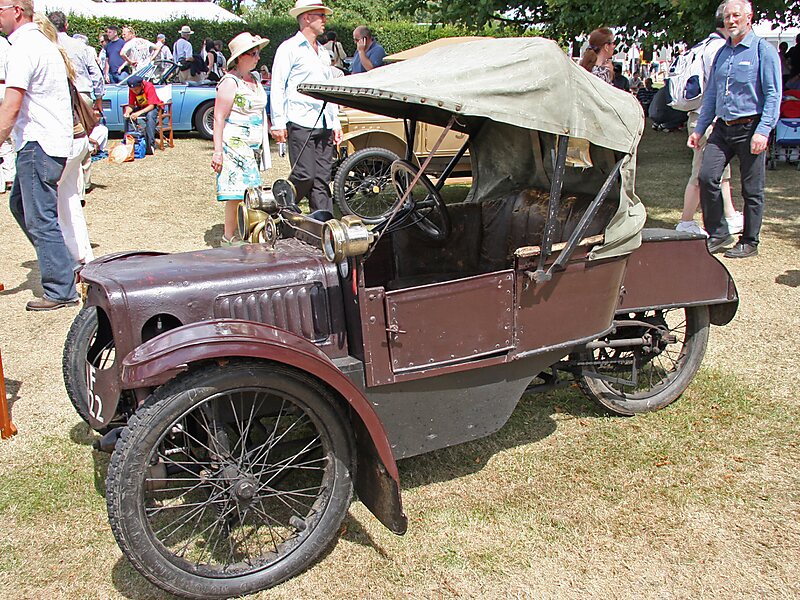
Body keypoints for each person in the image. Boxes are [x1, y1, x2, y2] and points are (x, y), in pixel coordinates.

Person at [0, 0, 79, 311]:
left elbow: (11, 105)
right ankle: (63, 269)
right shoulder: (41, 43)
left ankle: (61, 288)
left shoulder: (23, 47)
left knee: (39, 217)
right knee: (22, 205)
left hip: (38, 143)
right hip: (47, 141)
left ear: (17, 10)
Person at [689, 0, 781, 258]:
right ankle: (718, 233)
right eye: (727, 16)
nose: (731, 21)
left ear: (749, 17)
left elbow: (773, 95)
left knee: (752, 189)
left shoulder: (763, 51)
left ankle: (750, 241)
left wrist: (763, 131)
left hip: (751, 127)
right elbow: (711, 96)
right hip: (722, 128)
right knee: (707, 177)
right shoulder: (722, 53)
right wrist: (700, 129)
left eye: (736, 16)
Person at [271, 0, 342, 213]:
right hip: (300, 120)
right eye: (320, 15)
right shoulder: (289, 48)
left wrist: (335, 122)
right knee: (304, 174)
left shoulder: (322, 52)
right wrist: (278, 122)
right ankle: (282, 208)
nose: (325, 20)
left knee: (322, 179)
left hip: (324, 122)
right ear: (306, 18)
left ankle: (324, 226)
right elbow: (277, 86)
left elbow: (328, 90)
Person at [677, 3, 740, 238]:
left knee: (720, 172)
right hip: (708, 119)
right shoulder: (719, 49)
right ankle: (685, 220)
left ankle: (730, 215)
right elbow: (720, 88)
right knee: (701, 174)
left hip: (703, 117)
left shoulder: (704, 46)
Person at [35, 13, 93, 265]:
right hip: (76, 138)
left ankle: (66, 263)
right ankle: (82, 258)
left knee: (49, 208)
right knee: (69, 204)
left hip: (62, 141)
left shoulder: (43, 58)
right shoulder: (60, 56)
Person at [211, 32, 270, 246]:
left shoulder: (255, 79)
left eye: (258, 53)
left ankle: (244, 232)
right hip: (234, 143)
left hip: (253, 145)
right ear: (240, 57)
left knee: (248, 192)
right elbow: (219, 117)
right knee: (237, 192)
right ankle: (229, 236)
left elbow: (260, 110)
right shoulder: (230, 82)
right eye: (253, 54)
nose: (258, 57)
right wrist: (218, 151)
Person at [48, 11, 104, 111]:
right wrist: (99, 97)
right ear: (66, 26)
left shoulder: (46, 46)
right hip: (81, 94)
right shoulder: (81, 46)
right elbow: (96, 73)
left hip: (56, 97)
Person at [123, 75, 160, 155]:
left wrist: (138, 113)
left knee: (150, 117)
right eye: (132, 90)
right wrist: (127, 112)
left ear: (141, 85)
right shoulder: (132, 90)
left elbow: (152, 105)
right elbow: (131, 105)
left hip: (152, 107)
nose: (135, 92)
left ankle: (150, 145)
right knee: (128, 118)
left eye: (136, 90)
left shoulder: (149, 86)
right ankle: (131, 141)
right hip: (141, 107)